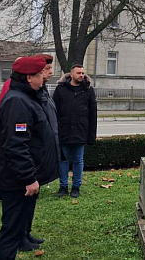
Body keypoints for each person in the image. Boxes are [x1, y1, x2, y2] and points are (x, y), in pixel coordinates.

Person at [0, 54, 57, 251]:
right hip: (16, 180)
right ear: (28, 77)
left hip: (24, 176)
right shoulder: (17, 101)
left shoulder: (27, 97)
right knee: (11, 232)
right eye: (39, 74)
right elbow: (16, 145)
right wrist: (28, 177)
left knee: (17, 229)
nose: (43, 78)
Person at [52, 64, 97, 198]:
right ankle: (63, 187)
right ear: (71, 74)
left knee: (78, 160)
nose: (81, 75)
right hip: (63, 130)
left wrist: (91, 136)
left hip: (80, 131)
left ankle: (76, 187)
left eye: (83, 73)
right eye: (78, 73)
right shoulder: (61, 89)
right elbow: (54, 110)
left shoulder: (88, 90)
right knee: (63, 160)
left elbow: (92, 114)